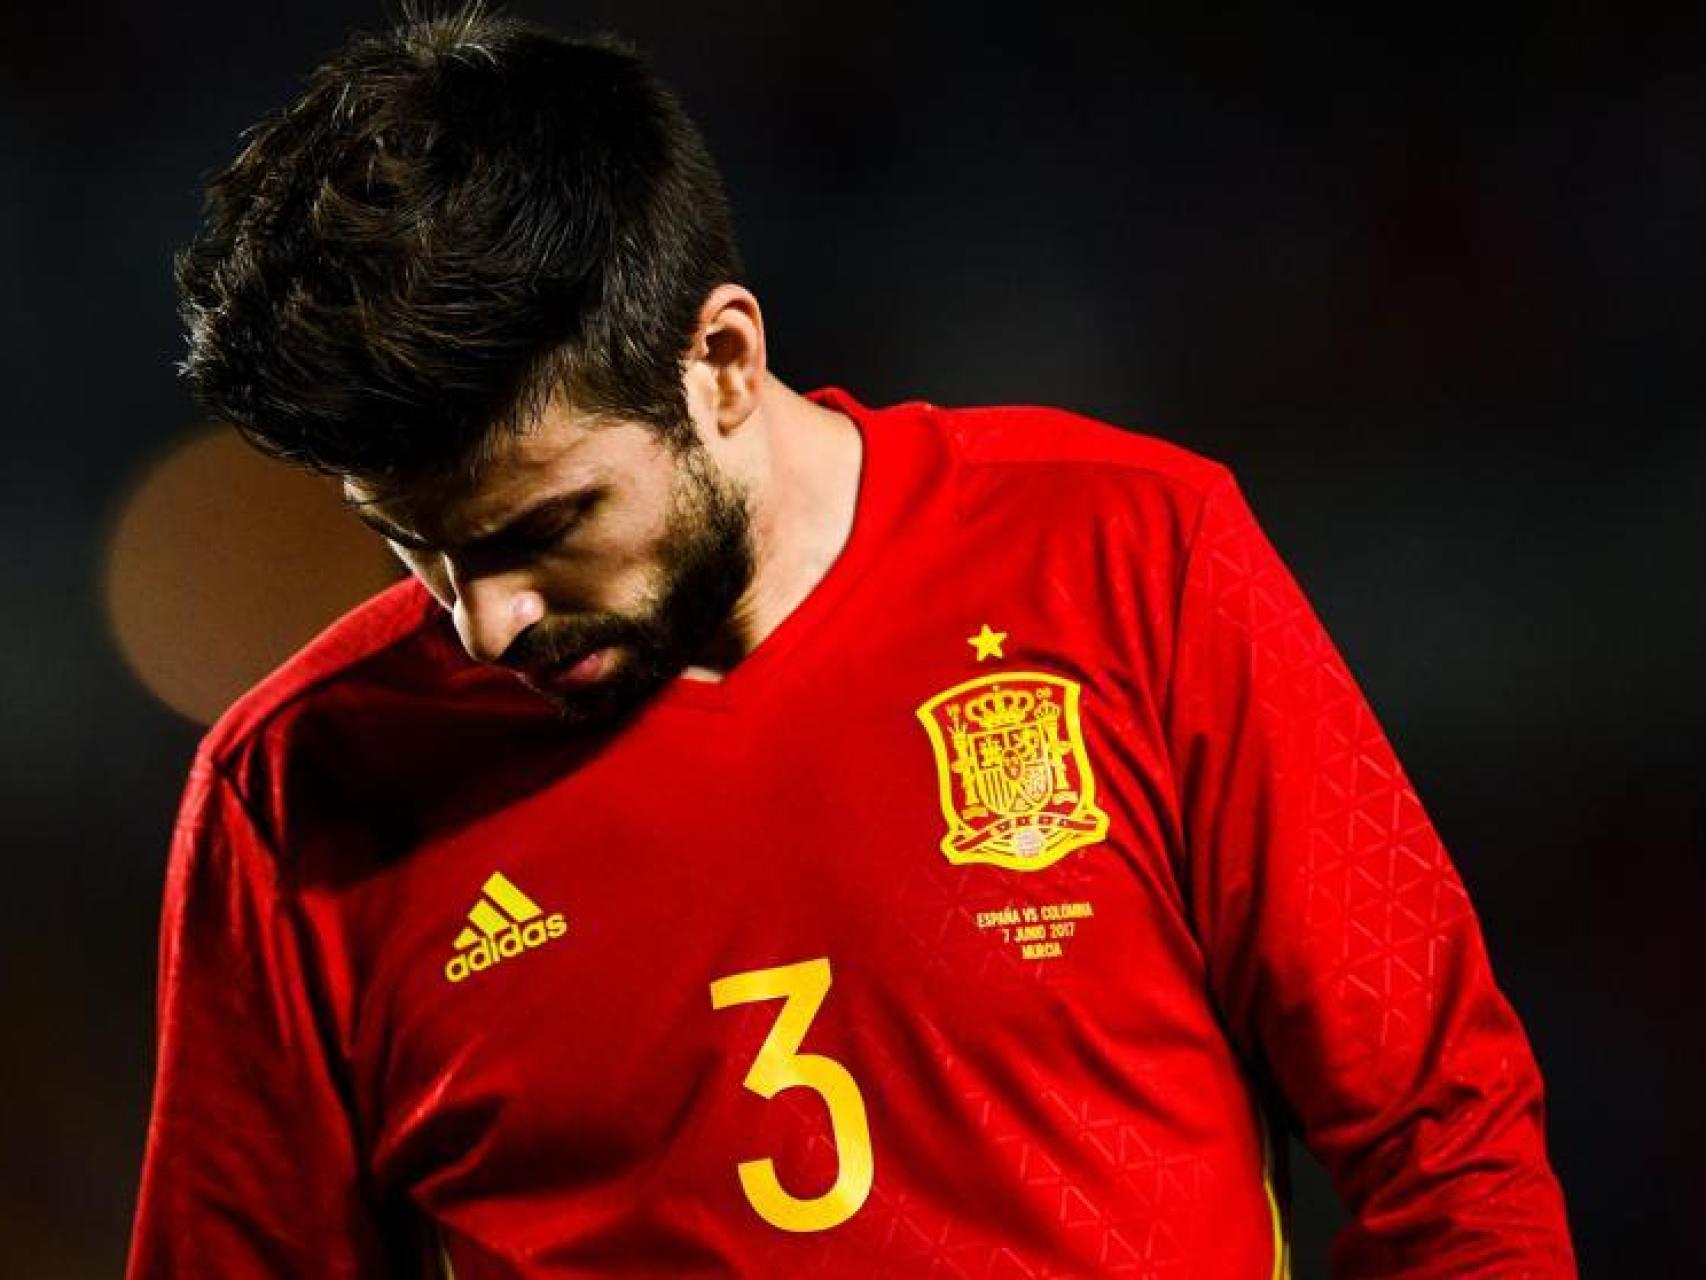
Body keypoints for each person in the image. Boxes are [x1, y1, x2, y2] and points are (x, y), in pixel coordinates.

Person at [127, 5, 1578, 1276]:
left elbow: (1444, 1146)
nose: (484, 620)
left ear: (721, 364)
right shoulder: (297, 788)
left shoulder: (1129, 554)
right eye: (414, 548)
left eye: (544, 529)